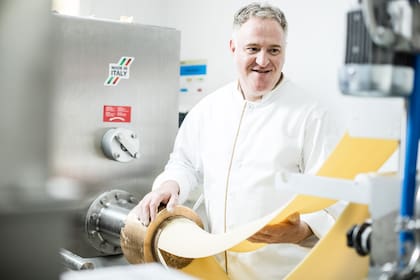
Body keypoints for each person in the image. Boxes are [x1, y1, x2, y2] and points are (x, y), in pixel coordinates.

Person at [131, 2, 338, 279]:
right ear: (233, 48)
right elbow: (184, 163)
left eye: (273, 50)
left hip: (282, 272)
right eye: (253, 48)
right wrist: (171, 185)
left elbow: (333, 197)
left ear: (284, 52)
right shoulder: (209, 109)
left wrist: (303, 231)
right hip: (213, 269)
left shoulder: (311, 116)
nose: (263, 61)